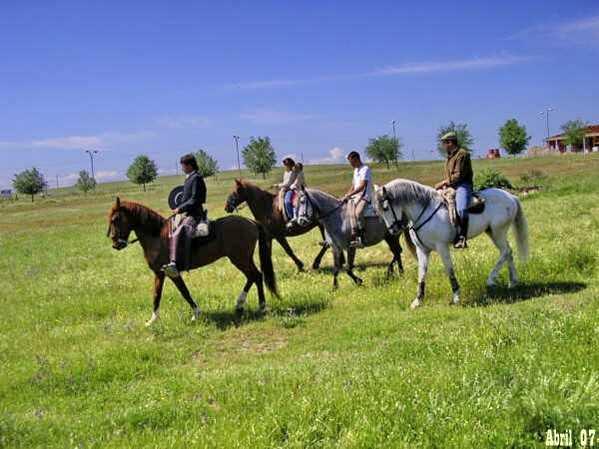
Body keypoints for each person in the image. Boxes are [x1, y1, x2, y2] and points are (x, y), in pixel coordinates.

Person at [162, 154, 207, 278]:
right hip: (187, 213)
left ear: (189, 165)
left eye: (183, 166)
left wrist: (180, 209)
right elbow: (185, 198)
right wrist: (178, 209)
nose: (182, 168)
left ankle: (174, 263)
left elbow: (195, 199)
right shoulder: (189, 178)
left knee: (179, 231)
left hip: (195, 214)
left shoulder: (196, 178)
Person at [434, 131, 474, 249]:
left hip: (463, 185)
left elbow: (458, 175)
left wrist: (443, 183)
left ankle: (462, 237)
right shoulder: (449, 156)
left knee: (461, 209)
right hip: (452, 186)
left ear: (450, 143)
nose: (443, 146)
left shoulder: (462, 154)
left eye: (444, 143)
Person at [341, 151, 374, 248]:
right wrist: (347, 194)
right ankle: (351, 233)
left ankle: (361, 238)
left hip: (365, 196)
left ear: (356, 159)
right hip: (355, 196)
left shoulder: (365, 169)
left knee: (358, 213)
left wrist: (350, 194)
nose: (351, 164)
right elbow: (353, 185)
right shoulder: (355, 170)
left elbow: (362, 186)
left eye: (351, 162)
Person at [273, 157, 299, 223]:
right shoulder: (285, 172)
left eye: (286, 165)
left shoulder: (292, 172)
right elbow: (284, 182)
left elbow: (288, 183)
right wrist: (279, 186)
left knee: (287, 202)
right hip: (283, 189)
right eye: (285, 165)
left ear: (290, 165)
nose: (285, 166)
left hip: (290, 189)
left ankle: (292, 218)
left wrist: (278, 185)